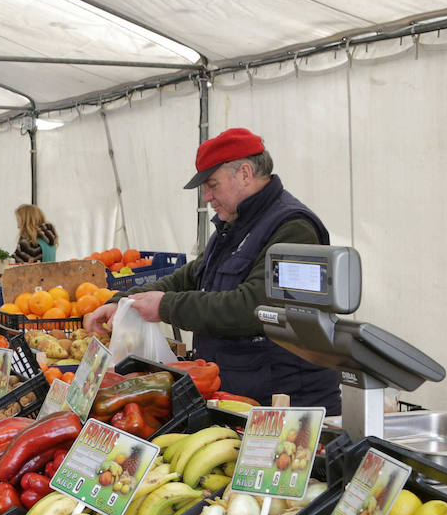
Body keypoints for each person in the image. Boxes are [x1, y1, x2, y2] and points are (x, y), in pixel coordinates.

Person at [84, 127, 341, 411]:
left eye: (212, 184)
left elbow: (255, 306)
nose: (206, 197)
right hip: (241, 394)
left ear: (244, 173)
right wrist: (124, 302)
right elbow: (191, 277)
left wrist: (166, 306)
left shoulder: (294, 228)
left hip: (285, 401)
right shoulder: (236, 225)